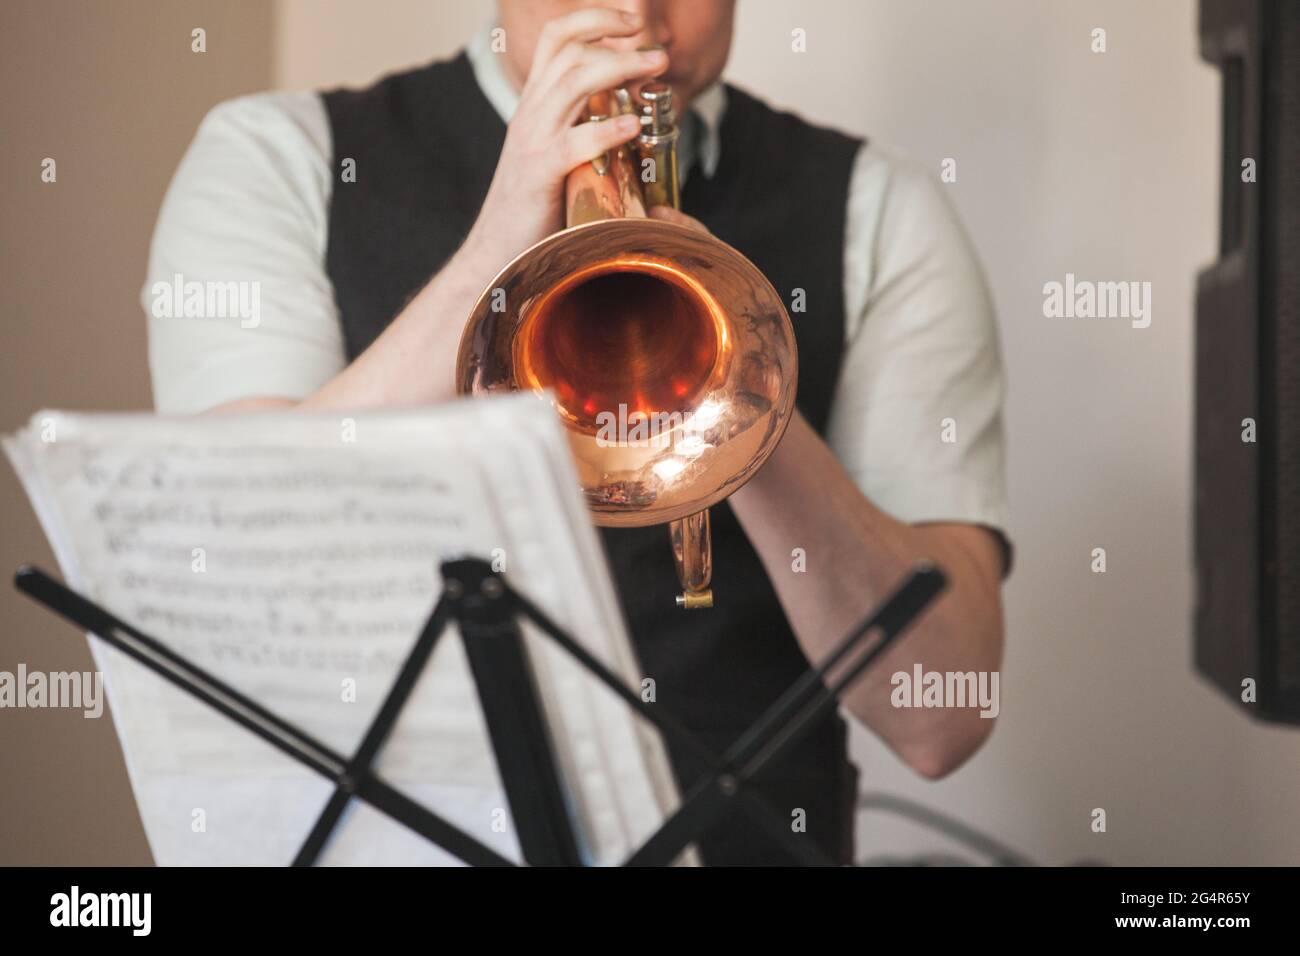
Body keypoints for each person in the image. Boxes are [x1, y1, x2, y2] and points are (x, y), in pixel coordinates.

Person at [145, 0, 1010, 865]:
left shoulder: (877, 207)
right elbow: (235, 551)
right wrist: (496, 255)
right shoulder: (279, 153)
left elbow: (941, 717)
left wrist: (739, 380)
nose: (634, 11)